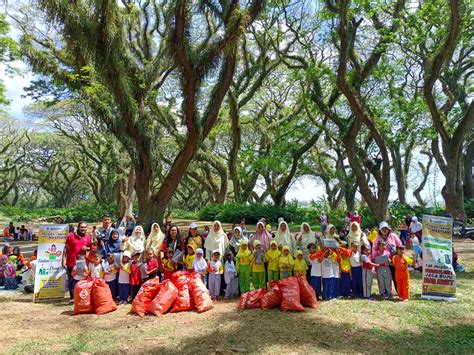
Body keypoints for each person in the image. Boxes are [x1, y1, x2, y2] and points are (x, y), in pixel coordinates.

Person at [63, 221, 91, 301]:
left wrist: (87, 248)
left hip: (83, 263)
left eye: (85, 227)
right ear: (78, 227)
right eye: (81, 227)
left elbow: (91, 248)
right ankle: (72, 297)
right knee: (72, 280)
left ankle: (81, 296)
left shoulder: (88, 237)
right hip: (71, 262)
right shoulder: (70, 236)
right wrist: (63, 260)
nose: (83, 229)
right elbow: (65, 248)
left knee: (82, 281)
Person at [372, 221, 402, 291]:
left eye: (386, 228)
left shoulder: (393, 236)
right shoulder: (378, 238)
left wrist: (400, 255)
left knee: (395, 275)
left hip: (393, 259)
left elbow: (399, 244)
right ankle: (385, 290)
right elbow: (374, 248)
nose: (384, 230)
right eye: (383, 229)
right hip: (383, 260)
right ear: (380, 230)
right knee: (384, 277)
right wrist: (374, 258)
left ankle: (399, 290)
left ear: (388, 229)